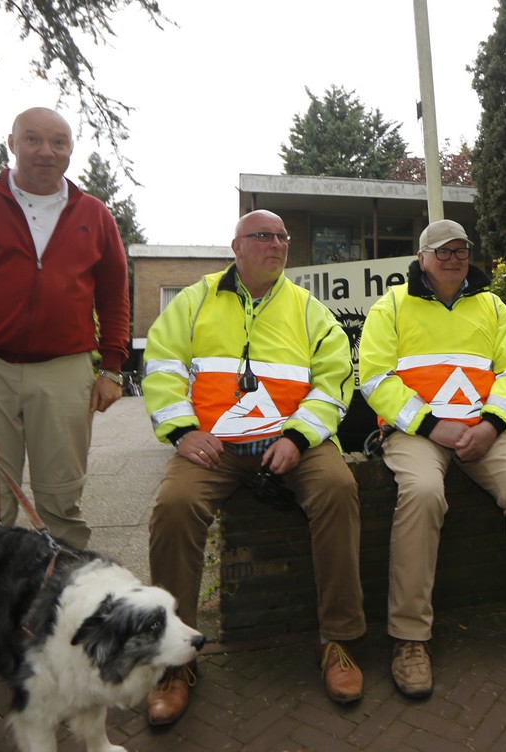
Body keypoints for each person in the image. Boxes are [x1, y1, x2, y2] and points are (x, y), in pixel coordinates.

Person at [142, 210, 365, 722]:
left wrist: (299, 436)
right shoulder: (194, 300)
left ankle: (338, 639)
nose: (276, 244)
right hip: (212, 446)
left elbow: (334, 379)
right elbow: (162, 365)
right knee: (174, 507)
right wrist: (182, 431)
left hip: (290, 441)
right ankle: (174, 658)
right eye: (263, 235)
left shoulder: (308, 309)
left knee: (338, 489)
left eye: (282, 236)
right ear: (236, 246)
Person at [358, 219, 506, 700]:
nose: (453, 258)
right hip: (417, 432)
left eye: (460, 249)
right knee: (422, 493)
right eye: (442, 251)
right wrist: (431, 425)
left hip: (484, 431)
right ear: (421, 258)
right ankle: (409, 637)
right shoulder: (391, 306)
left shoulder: (493, 306)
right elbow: (375, 378)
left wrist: (491, 425)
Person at [0, 106, 129, 550]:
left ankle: (65, 582)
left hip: (65, 370)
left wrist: (112, 367)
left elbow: (115, 297)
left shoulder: (95, 215)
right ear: (12, 144)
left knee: (62, 500)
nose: (46, 151)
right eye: (32, 139)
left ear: (70, 150)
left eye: (58, 142)